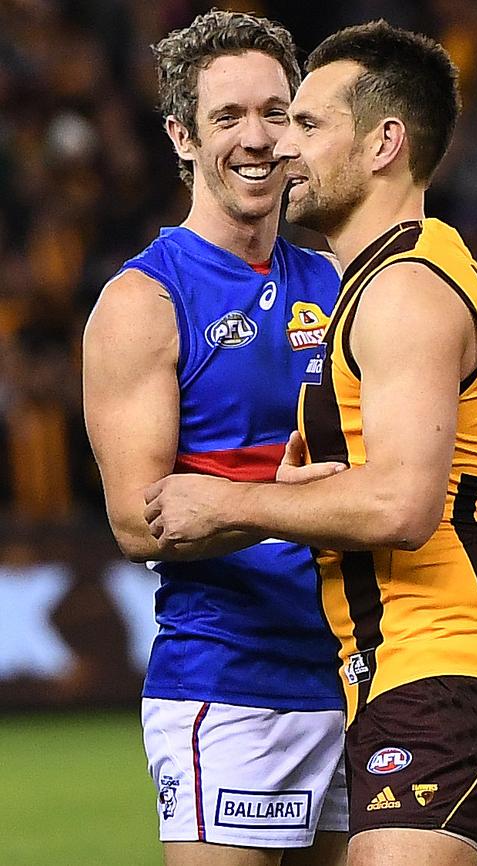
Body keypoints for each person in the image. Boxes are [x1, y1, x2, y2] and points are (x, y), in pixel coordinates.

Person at [143, 19, 477, 866]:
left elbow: (403, 507)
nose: (286, 147)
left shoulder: (402, 291)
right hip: (397, 673)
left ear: (384, 144)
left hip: (434, 672)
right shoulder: (393, 276)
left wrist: (227, 500)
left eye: (308, 122)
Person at [82, 9, 349, 866]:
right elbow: (137, 521)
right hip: (229, 686)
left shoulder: (342, 281)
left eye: (277, 113)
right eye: (228, 117)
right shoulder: (144, 303)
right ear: (182, 137)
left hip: (356, 677)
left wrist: (261, 503)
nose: (257, 138)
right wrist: (313, 502)